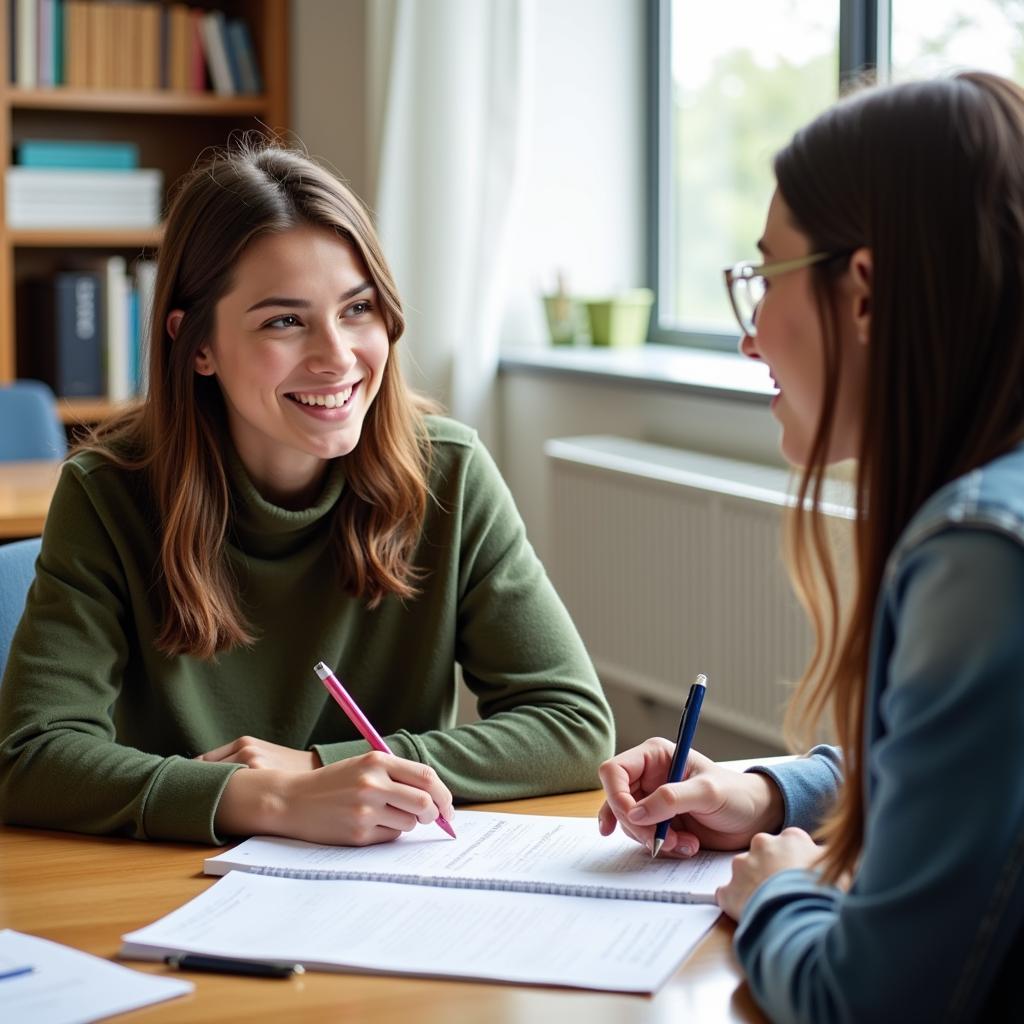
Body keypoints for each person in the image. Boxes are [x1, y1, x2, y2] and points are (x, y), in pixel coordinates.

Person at [0, 142, 614, 847]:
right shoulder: (108, 494)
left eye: (358, 308)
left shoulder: (448, 473)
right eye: (284, 321)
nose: (337, 355)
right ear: (195, 344)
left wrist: (331, 767)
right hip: (172, 884)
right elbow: (33, 757)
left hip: (387, 888)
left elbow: (572, 725)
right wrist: (265, 799)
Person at [597, 71, 1024, 1021]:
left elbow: (869, 1000)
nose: (751, 341)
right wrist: (763, 792)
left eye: (764, 280)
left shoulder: (979, 558)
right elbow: (955, 775)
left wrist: (779, 892)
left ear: (863, 291)